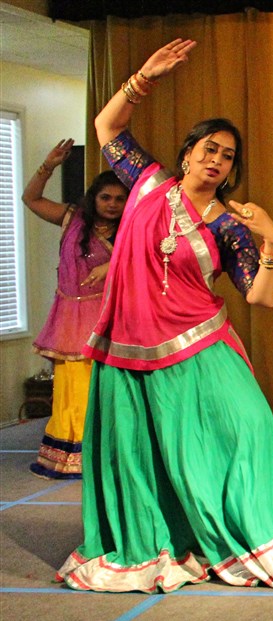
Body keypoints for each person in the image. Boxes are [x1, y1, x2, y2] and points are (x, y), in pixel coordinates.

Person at [55, 39, 273, 593]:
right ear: (188, 151)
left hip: (200, 346)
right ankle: (165, 539)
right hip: (130, 353)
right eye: (209, 148)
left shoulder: (230, 225)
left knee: (249, 428)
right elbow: (107, 129)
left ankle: (248, 533)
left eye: (228, 156)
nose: (217, 160)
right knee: (143, 458)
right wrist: (144, 75)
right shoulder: (147, 183)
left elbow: (262, 297)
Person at [23, 141, 128, 479]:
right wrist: (48, 165)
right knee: (69, 388)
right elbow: (32, 199)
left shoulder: (131, 233)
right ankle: (66, 455)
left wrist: (112, 265)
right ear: (93, 199)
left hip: (110, 319)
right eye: (105, 197)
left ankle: (103, 456)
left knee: (102, 388)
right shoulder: (72, 219)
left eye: (119, 198)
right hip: (69, 318)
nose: (112, 205)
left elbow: (149, 264)